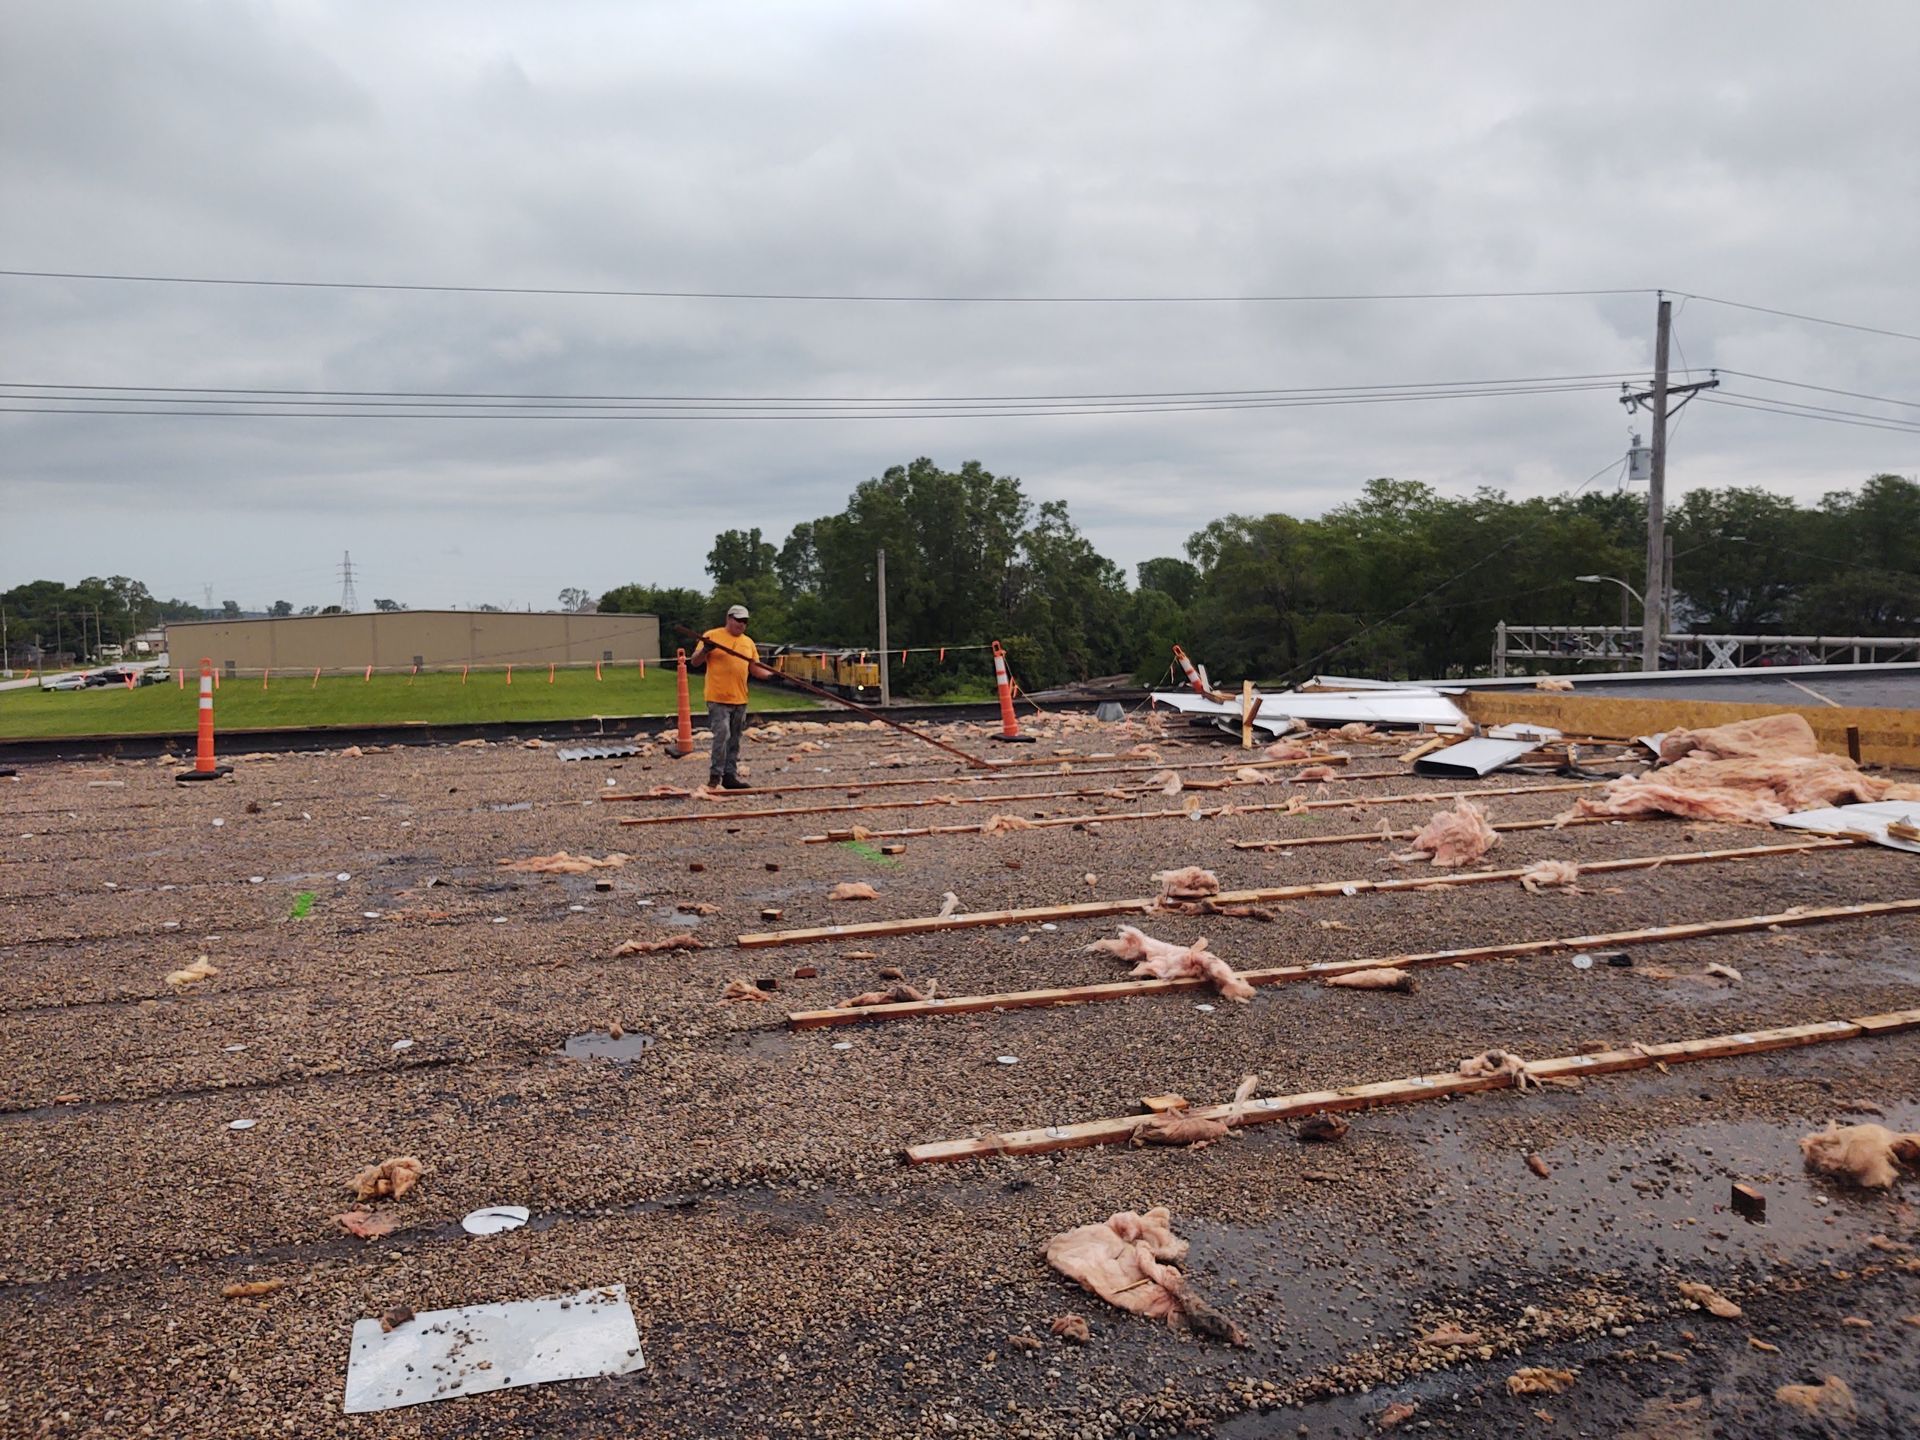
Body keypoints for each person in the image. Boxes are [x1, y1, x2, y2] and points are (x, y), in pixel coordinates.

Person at [689, 604, 772, 789]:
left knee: (734, 739)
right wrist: (705, 650)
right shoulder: (712, 636)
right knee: (722, 735)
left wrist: (772, 675)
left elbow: (754, 668)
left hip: (740, 699)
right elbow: (694, 662)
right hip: (718, 698)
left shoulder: (748, 643)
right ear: (729, 618)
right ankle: (715, 776)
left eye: (745, 621)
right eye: (738, 620)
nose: (741, 624)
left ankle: (729, 776)